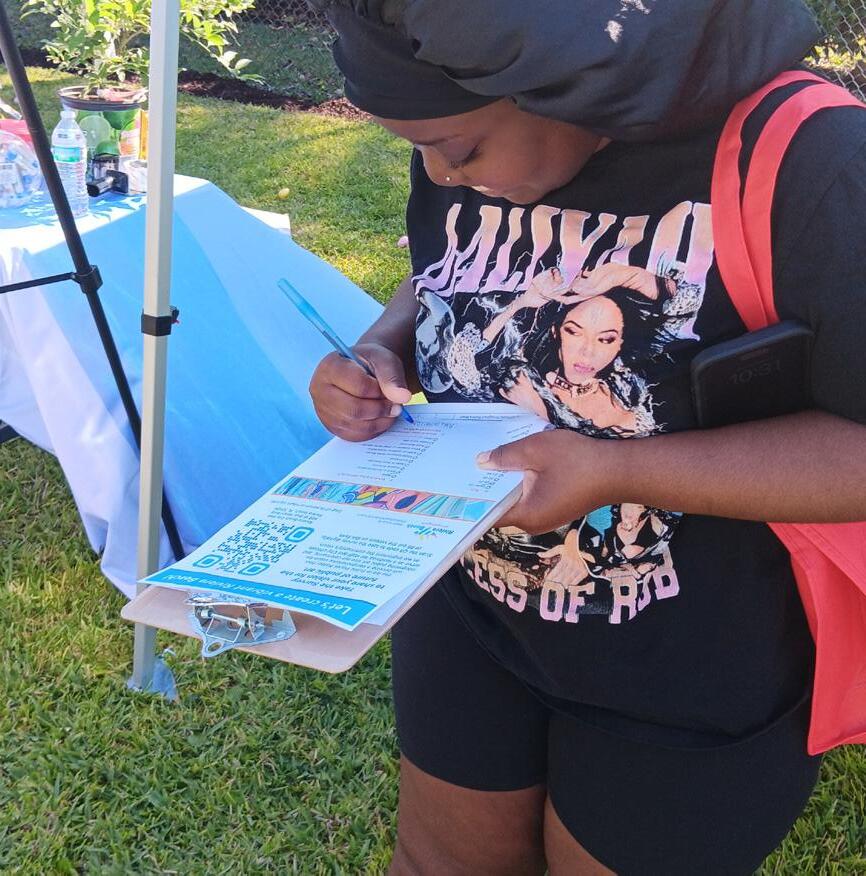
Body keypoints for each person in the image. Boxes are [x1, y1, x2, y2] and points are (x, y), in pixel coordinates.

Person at [305, 1, 866, 872]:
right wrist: (383, 346)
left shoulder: (811, 157)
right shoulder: (468, 150)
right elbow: (448, 272)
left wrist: (612, 472)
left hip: (689, 669)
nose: (440, 176)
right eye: (418, 150)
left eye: (459, 149)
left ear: (565, 83)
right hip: (472, 614)